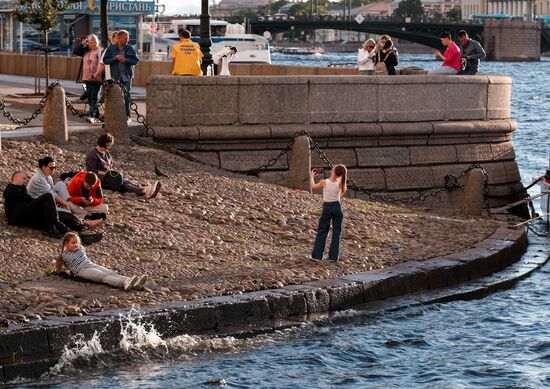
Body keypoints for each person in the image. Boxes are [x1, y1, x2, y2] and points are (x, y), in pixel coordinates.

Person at [27, 156, 102, 230]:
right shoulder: (38, 179)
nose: (53, 170)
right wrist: (66, 203)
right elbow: (52, 194)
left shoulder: (48, 176)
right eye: (51, 168)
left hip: (52, 200)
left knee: (60, 184)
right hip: (38, 204)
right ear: (43, 167)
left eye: (55, 168)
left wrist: (90, 200)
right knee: (65, 211)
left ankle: (74, 210)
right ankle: (85, 222)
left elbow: (100, 199)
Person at [55, 232, 147, 290]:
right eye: (73, 243)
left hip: (90, 264)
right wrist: (60, 272)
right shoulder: (64, 255)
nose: (76, 245)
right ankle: (123, 283)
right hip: (81, 270)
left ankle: (132, 282)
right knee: (102, 276)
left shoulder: (81, 248)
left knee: (110, 272)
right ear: (66, 244)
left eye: (77, 242)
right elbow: (58, 264)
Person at [86, 133, 161, 198]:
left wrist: (112, 173)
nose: (108, 148)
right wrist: (106, 173)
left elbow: (110, 166)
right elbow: (91, 171)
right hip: (100, 179)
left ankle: (144, 188)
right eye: (107, 145)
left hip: (109, 176)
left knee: (124, 181)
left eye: (109, 145)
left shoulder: (106, 152)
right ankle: (143, 191)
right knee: (121, 183)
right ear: (102, 143)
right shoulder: (92, 155)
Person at [3, 171, 67, 238]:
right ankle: (53, 226)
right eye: (23, 178)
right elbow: (26, 199)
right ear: (16, 178)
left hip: (24, 212)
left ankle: (55, 226)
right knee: (48, 196)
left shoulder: (21, 188)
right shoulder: (10, 188)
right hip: (17, 214)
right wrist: (39, 202)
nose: (25, 180)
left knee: (49, 213)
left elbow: (27, 199)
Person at [310, 165, 348, 262]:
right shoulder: (341, 183)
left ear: (333, 171)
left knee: (322, 231)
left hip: (327, 207)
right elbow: (340, 195)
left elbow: (313, 187)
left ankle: (317, 255)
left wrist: (311, 176)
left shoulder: (324, 182)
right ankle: (333, 257)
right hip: (337, 207)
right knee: (336, 233)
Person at [102, 30, 140, 120]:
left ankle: (127, 115)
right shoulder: (111, 49)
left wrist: (126, 60)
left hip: (126, 76)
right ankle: (115, 115)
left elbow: (136, 61)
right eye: (125, 38)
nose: (127, 40)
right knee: (115, 96)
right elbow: (105, 60)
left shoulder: (130, 48)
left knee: (126, 96)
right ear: (119, 38)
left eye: (128, 38)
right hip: (115, 77)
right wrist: (115, 58)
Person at [73, 34, 104, 123]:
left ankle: (92, 115)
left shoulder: (101, 51)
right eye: (91, 42)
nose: (94, 44)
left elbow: (104, 64)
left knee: (94, 96)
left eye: (95, 42)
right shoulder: (86, 51)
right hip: (87, 77)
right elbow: (75, 51)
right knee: (90, 97)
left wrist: (101, 75)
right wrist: (83, 43)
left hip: (97, 78)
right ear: (88, 43)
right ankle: (96, 115)